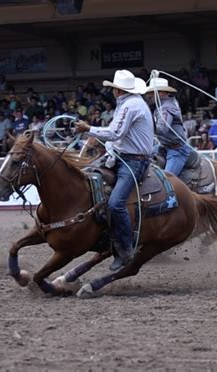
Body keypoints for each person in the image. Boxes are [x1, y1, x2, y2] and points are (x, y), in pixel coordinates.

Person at [75, 69, 153, 271]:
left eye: (113, 89)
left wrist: (88, 129)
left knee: (116, 203)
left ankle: (126, 250)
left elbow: (116, 132)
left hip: (133, 161)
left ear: (118, 90)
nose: (111, 92)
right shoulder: (130, 104)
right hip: (122, 157)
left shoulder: (130, 106)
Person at [145, 76, 190, 176]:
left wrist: (144, 126)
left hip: (177, 150)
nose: (148, 95)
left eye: (152, 92)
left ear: (162, 93)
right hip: (164, 147)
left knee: (167, 180)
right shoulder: (164, 105)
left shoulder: (166, 107)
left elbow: (162, 129)